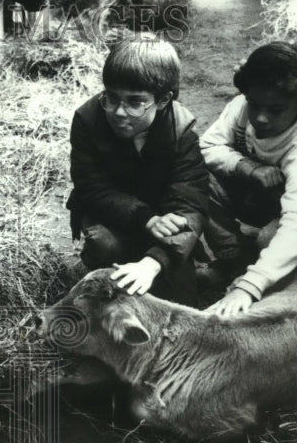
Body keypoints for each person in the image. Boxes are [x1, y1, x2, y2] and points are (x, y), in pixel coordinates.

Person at [198, 41, 297, 316]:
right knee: (198, 178)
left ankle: (259, 274)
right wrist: (248, 168)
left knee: (271, 240)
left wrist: (250, 286)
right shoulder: (241, 108)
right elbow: (207, 146)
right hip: (267, 197)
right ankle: (233, 260)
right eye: (254, 103)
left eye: (276, 109)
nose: (261, 117)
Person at [67, 33, 209, 305]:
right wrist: (146, 218)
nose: (119, 112)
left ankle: (157, 262)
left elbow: (191, 202)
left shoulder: (182, 130)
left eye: (134, 102)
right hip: (111, 216)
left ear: (164, 100)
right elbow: (91, 187)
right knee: (104, 247)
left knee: (181, 303)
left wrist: (153, 263)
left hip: (165, 222)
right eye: (111, 97)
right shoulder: (87, 119)